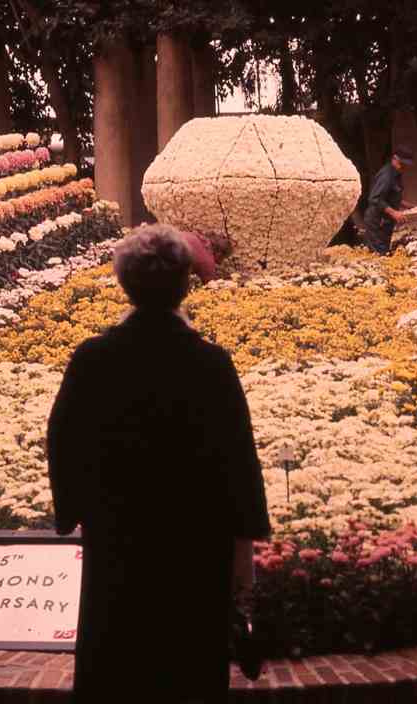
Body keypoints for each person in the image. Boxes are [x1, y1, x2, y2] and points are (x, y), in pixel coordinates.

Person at [47, 224, 272, 704]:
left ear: (124, 284)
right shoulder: (211, 363)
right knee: (189, 669)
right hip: (194, 550)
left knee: (117, 667)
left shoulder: (93, 358)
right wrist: (244, 553)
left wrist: (73, 511)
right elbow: (238, 460)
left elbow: (63, 440)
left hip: (118, 545)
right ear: (186, 283)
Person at [361, 145, 415, 254]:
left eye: (405, 165)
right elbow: (375, 199)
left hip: (385, 222)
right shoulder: (387, 175)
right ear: (394, 158)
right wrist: (394, 213)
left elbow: (390, 196)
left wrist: (409, 206)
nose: (403, 167)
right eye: (401, 163)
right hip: (377, 222)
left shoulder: (396, 174)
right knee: (379, 253)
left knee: (384, 251)